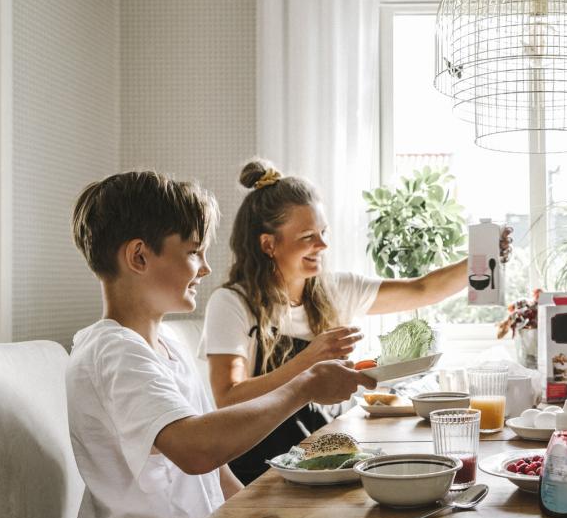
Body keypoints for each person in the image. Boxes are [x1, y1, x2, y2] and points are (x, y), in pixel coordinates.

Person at [67, 171, 415, 518]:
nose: (204, 267)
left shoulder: (164, 350)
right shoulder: (112, 351)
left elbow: (221, 479)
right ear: (139, 256)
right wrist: (303, 384)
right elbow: (197, 451)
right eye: (192, 251)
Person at [201, 158, 512, 484]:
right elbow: (228, 398)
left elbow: (421, 289)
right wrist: (308, 362)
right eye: (308, 236)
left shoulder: (334, 289)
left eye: (323, 232)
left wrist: (484, 257)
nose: (323, 245)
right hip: (261, 471)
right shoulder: (232, 303)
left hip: (326, 458)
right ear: (269, 244)